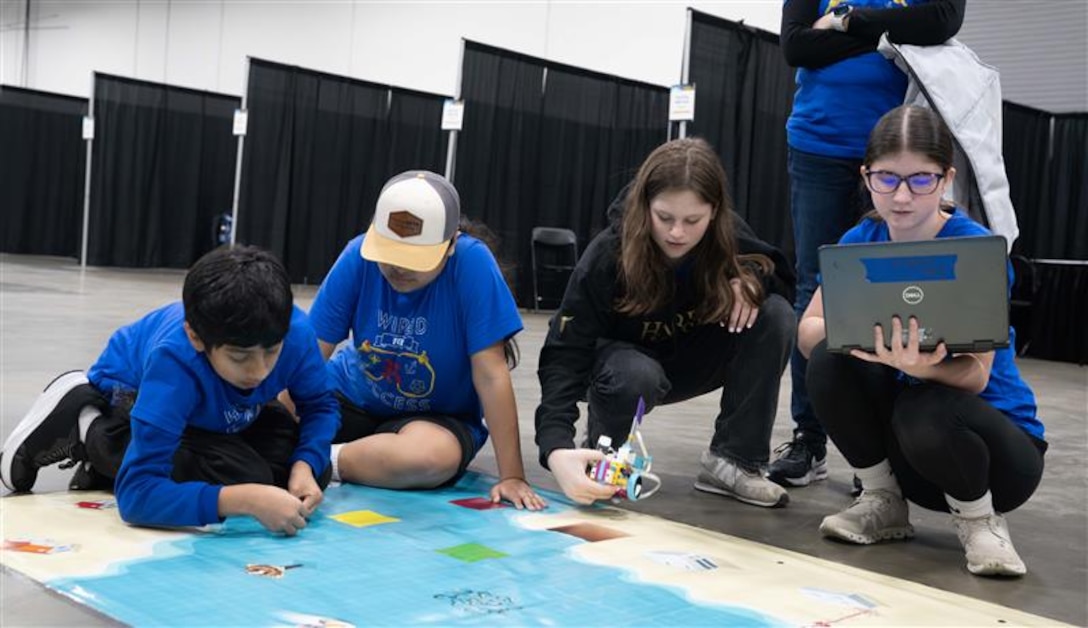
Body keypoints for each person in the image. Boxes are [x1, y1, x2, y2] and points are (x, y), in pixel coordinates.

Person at [799, 105, 1045, 576]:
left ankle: (980, 523)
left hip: (997, 459)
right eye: (887, 178)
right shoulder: (859, 240)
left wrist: (921, 366)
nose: (903, 196)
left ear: (946, 178)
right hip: (912, 458)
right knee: (828, 365)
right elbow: (808, 332)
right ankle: (882, 500)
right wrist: (858, 332)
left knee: (926, 405)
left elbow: (975, 375)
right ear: (866, 176)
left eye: (921, 179)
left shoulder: (976, 249)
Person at [0, 246, 339, 536]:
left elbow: (320, 406)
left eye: (272, 352)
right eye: (239, 356)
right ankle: (93, 431)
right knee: (243, 478)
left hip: (221, 412)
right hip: (128, 390)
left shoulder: (294, 331)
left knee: (310, 468)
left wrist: (305, 465)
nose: (259, 371)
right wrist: (244, 499)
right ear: (196, 337)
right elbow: (136, 496)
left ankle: (118, 454)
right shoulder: (175, 361)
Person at [535, 138, 796, 507]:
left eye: (693, 221)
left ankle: (734, 460)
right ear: (644, 207)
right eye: (664, 218)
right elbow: (565, 351)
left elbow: (781, 273)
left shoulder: (726, 234)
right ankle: (603, 457)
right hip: (622, 370)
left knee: (774, 314)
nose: (677, 233)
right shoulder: (608, 255)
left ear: (715, 211)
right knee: (634, 373)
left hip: (689, 360)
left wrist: (750, 277)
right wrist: (555, 447)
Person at [772, 0, 966, 488]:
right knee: (813, 290)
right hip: (817, 145)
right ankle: (808, 438)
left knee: (897, 290)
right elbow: (796, 46)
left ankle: (876, 450)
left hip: (896, 155)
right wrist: (885, 35)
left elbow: (941, 21)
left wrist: (842, 22)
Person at [306, 170, 545, 511]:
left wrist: (512, 476)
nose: (398, 269)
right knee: (279, 416)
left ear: (450, 245)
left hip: (435, 419)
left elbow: (491, 375)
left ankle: (320, 459)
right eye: (388, 256)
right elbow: (310, 354)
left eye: (413, 260)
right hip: (351, 397)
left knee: (431, 459)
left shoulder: (472, 264)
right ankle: (329, 453)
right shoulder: (358, 255)